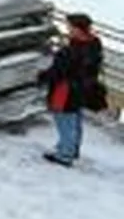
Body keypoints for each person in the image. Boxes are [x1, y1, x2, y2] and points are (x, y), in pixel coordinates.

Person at [39, 13, 104, 166]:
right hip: (83, 88)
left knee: (64, 121)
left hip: (65, 91)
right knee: (75, 121)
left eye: (70, 26)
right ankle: (71, 149)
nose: (67, 29)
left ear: (78, 29)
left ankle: (64, 155)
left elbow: (57, 72)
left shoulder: (70, 51)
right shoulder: (95, 43)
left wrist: (42, 76)